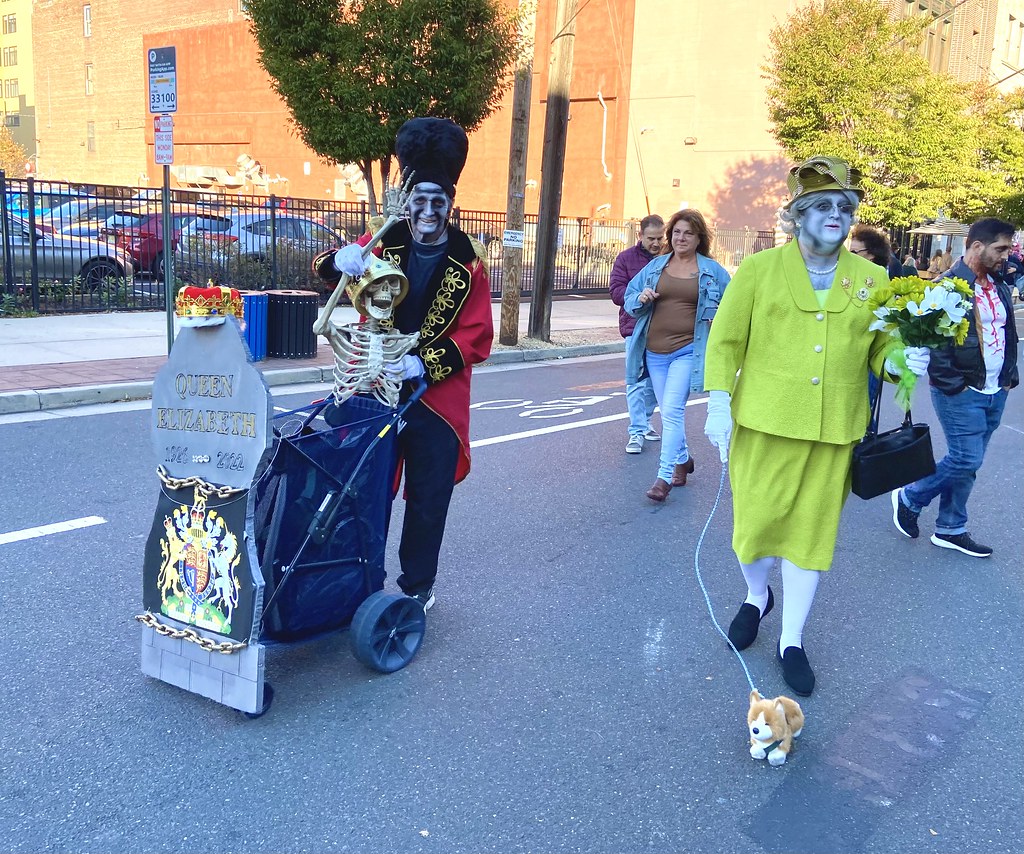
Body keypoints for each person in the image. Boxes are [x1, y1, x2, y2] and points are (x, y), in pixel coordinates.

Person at [701, 156, 928, 696]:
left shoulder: (873, 279)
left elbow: (880, 351)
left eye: (844, 208)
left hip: (834, 431)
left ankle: (792, 640)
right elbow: (726, 340)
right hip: (763, 423)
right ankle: (757, 597)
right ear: (798, 213)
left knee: (810, 539)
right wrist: (716, 403)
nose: (835, 215)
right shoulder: (758, 271)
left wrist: (902, 361)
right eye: (823, 206)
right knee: (752, 533)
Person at [314, 117, 494, 610]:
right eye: (421, 200)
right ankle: (358, 580)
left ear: (451, 204)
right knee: (363, 490)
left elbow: (478, 335)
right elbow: (331, 274)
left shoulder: (468, 261)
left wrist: (422, 365)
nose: (429, 210)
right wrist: (338, 260)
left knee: (428, 499)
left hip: (434, 400)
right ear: (408, 202)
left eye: (440, 201)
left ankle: (417, 586)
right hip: (374, 387)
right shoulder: (384, 239)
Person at [891, 217, 1019, 557]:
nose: (1007, 255)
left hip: (996, 389)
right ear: (977, 246)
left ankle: (950, 527)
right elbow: (936, 345)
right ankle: (911, 496)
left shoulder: (998, 283)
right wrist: (955, 386)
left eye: (1008, 248)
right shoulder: (947, 286)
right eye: (1000, 248)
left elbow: (1006, 332)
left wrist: (1009, 377)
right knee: (965, 457)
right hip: (961, 390)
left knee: (969, 463)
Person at [624, 209, 730, 502]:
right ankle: (683, 459)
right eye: (677, 232)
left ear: (699, 238)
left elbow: (735, 305)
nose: (681, 238)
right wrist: (641, 297)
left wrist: (720, 316)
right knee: (668, 411)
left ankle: (664, 477)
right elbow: (629, 298)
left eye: (688, 233)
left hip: (688, 350)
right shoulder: (657, 266)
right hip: (654, 351)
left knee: (671, 411)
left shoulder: (712, 271)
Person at [609, 215, 665, 454]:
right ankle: (636, 431)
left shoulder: (670, 259)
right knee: (635, 379)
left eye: (660, 238)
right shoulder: (625, 259)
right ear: (640, 236)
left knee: (655, 382)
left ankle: (645, 421)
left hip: (664, 328)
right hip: (635, 327)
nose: (656, 243)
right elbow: (616, 292)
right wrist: (638, 296)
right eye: (651, 238)